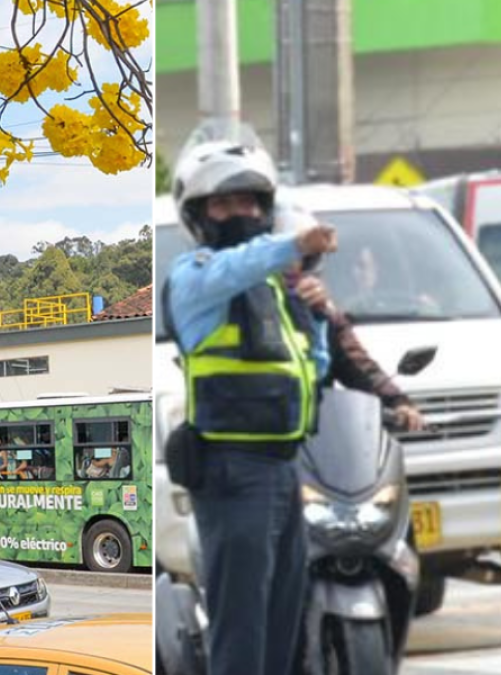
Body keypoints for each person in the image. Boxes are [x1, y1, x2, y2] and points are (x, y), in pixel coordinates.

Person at [165, 136, 336, 675]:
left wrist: (322, 317)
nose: (242, 213)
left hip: (286, 470)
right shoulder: (195, 277)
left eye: (251, 203)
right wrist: (291, 245)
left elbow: (314, 369)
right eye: (224, 203)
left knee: (285, 626)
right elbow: (230, 270)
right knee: (241, 630)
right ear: (199, 215)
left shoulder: (276, 291)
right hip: (233, 471)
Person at [288, 271, 427, 431]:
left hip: (313, 440)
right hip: (260, 436)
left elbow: (357, 364)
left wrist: (397, 402)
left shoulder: (323, 314)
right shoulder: (256, 301)